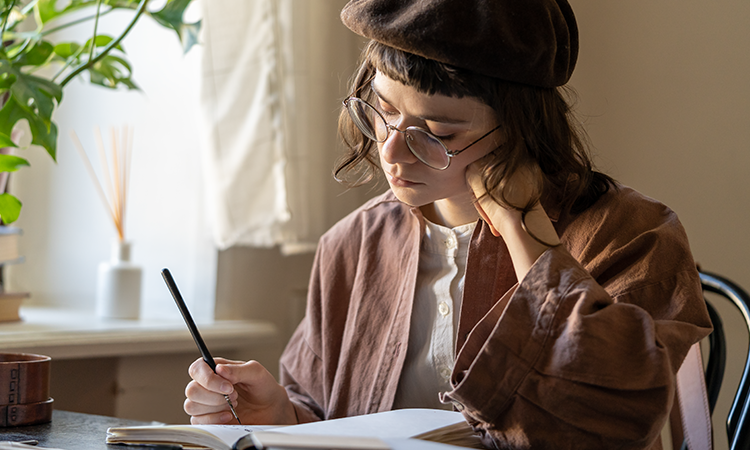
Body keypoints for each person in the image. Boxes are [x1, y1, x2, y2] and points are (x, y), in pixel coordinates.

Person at [184, 1, 712, 448]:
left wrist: (527, 234)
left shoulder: (633, 235)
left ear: (522, 132)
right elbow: (328, 416)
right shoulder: (354, 244)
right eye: (382, 110)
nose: (392, 152)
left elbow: (616, 421)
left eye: (437, 132)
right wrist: (278, 415)